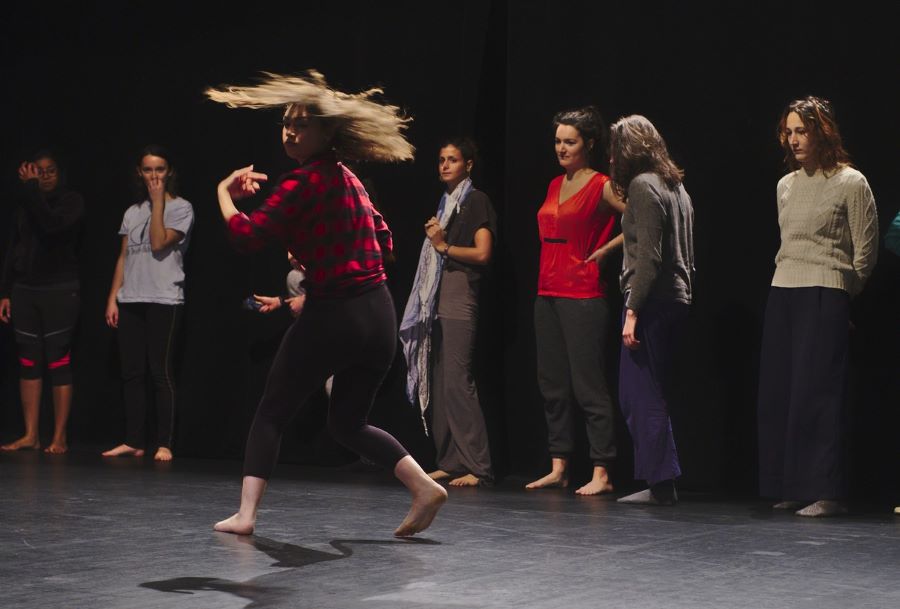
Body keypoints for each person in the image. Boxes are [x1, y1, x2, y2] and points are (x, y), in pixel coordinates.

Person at [205, 70, 447, 537]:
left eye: (302, 124)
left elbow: (247, 235)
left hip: (335, 313)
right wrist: (317, 248)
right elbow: (385, 240)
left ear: (328, 131)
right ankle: (423, 486)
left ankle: (246, 514)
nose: (291, 132)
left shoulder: (301, 184)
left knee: (272, 410)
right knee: (348, 423)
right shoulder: (350, 180)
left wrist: (224, 194)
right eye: (286, 124)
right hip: (378, 314)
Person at [758, 96, 878, 517]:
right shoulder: (785, 185)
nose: (793, 140)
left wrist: (842, 293)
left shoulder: (850, 182)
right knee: (783, 391)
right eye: (788, 132)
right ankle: (790, 485)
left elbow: (864, 251)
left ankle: (826, 489)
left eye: (801, 131)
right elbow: (786, 245)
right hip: (783, 291)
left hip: (826, 292)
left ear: (822, 132)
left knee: (819, 394)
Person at [526, 106, 626, 495]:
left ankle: (602, 470)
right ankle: (559, 465)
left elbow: (639, 221)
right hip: (547, 291)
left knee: (588, 385)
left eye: (570, 142)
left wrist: (606, 250)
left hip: (583, 294)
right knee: (552, 383)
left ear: (589, 144)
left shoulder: (602, 184)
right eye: (558, 141)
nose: (562, 148)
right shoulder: (555, 184)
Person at [400, 137, 496, 487]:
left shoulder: (476, 201)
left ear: (468, 165)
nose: (444, 165)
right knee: (440, 382)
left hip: (459, 297)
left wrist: (443, 245)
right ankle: (451, 460)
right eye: (441, 159)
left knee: (457, 381)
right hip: (438, 300)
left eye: (452, 160)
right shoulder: (445, 202)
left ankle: (478, 465)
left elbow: (483, 254)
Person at [609, 115, 694, 506]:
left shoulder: (644, 186)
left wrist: (632, 310)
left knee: (641, 393)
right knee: (647, 391)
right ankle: (661, 480)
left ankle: (661, 484)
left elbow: (650, 259)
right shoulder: (675, 186)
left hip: (653, 302)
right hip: (675, 300)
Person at [102, 145, 194, 462]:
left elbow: (157, 242)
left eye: (159, 169)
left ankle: (164, 442)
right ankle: (134, 441)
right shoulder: (132, 211)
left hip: (164, 298)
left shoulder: (182, 208)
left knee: (160, 372)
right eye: (148, 170)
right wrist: (114, 297)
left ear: (169, 173)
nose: (153, 175)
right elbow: (123, 257)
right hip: (131, 297)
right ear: (139, 174)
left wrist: (157, 202)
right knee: (132, 374)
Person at [0, 150, 83, 454]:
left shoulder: (71, 201)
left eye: (50, 171)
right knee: (28, 360)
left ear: (59, 173)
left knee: (58, 359)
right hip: (25, 290)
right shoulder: (25, 205)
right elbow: (14, 248)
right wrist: (5, 291)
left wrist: (31, 190)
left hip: (59, 289)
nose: (44, 176)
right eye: (38, 171)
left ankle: (59, 436)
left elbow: (50, 226)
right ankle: (30, 434)